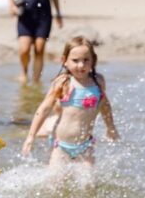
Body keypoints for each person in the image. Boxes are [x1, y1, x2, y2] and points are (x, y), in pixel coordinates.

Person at [21, 36, 119, 182]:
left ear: (93, 60)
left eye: (86, 60)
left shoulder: (98, 82)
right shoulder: (62, 82)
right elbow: (44, 108)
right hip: (61, 146)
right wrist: (30, 136)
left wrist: (110, 128)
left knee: (89, 184)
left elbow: (104, 105)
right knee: (54, 183)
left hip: (85, 145)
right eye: (75, 60)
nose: (81, 65)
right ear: (64, 60)